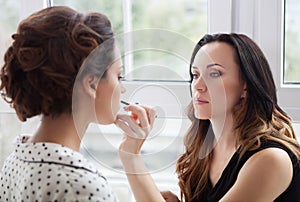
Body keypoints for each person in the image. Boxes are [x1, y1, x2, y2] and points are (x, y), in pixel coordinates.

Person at [115, 33, 300, 201]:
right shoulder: (205, 150)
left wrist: (132, 157)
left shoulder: (270, 160)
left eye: (214, 74)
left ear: (246, 85)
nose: (197, 86)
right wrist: (129, 153)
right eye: (195, 75)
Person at [0, 6, 132, 201]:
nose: (122, 89)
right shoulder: (82, 186)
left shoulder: (15, 160)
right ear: (91, 84)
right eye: (119, 76)